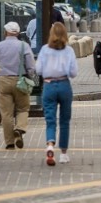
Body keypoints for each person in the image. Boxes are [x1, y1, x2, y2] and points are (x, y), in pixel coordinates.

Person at [0, 22, 36, 150]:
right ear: (17, 33)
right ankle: (19, 129)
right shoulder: (24, 46)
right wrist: (32, 77)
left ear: (5, 32)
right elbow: (31, 67)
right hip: (21, 79)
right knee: (23, 108)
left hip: (3, 80)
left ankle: (9, 142)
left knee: (6, 113)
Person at [35, 22, 78, 166]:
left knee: (50, 119)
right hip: (64, 84)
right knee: (65, 121)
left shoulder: (45, 50)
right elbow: (73, 72)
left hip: (48, 85)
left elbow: (38, 70)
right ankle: (64, 154)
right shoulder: (69, 51)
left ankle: (50, 145)